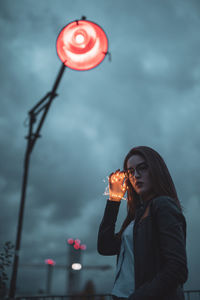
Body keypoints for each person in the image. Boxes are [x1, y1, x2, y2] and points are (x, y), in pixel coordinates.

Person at [97, 146, 188, 300]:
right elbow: (105, 246)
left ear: (156, 170)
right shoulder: (136, 216)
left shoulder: (163, 205)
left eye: (143, 168)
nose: (136, 175)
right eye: (130, 172)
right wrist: (114, 200)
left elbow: (177, 268)